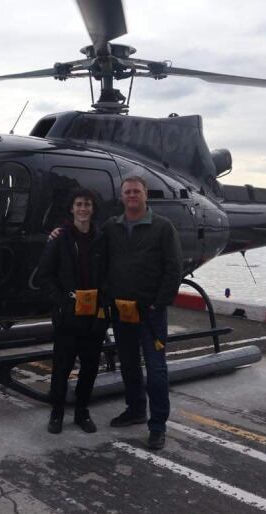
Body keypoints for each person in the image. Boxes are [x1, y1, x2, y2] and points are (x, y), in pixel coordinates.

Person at [104, 176, 182, 450]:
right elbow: (93, 248)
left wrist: (158, 303)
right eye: (128, 192)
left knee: (157, 371)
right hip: (122, 311)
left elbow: (174, 269)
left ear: (146, 195)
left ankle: (158, 425)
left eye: (137, 191)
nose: (132, 195)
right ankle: (136, 409)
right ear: (122, 196)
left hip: (150, 313)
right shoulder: (111, 227)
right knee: (128, 365)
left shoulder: (162, 227)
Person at [37, 188, 108, 434]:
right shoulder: (60, 238)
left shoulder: (101, 238)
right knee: (62, 367)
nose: (83, 209)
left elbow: (109, 273)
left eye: (87, 204)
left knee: (90, 367)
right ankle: (56, 412)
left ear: (93, 208)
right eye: (78, 204)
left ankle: (81, 411)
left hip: (94, 314)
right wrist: (61, 301)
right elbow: (44, 274)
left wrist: (104, 305)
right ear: (71, 208)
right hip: (68, 313)